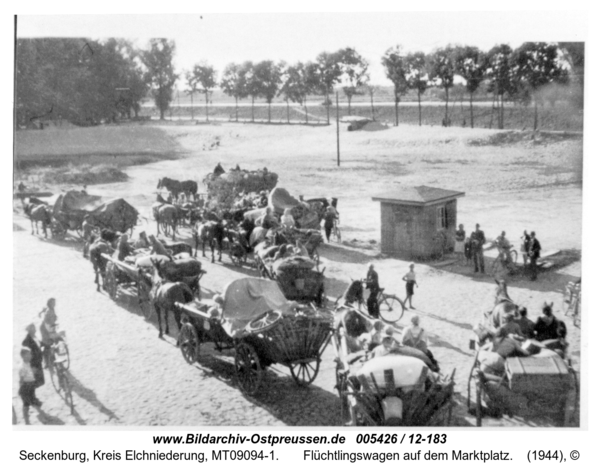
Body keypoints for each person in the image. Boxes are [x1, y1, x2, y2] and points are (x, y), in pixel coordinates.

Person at [19, 347, 42, 422]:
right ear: (24, 356)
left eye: (30, 354)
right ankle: (41, 417)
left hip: (31, 386)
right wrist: (21, 390)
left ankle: (27, 420)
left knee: (27, 404)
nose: (31, 356)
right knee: (31, 403)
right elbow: (21, 379)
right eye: (29, 355)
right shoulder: (22, 367)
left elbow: (29, 374)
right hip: (26, 387)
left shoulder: (28, 363)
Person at [22, 323, 44, 389]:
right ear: (30, 330)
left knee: (40, 381)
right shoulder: (28, 340)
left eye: (34, 327)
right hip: (34, 362)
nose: (35, 329)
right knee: (35, 381)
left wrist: (47, 345)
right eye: (33, 328)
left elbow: (40, 343)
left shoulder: (34, 336)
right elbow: (25, 345)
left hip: (38, 361)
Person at [39, 298, 58, 368]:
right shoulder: (49, 311)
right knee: (47, 345)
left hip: (49, 327)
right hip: (45, 329)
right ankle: (47, 362)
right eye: (53, 303)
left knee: (51, 344)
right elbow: (47, 321)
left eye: (54, 302)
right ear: (50, 303)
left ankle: (52, 361)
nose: (54, 304)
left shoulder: (51, 309)